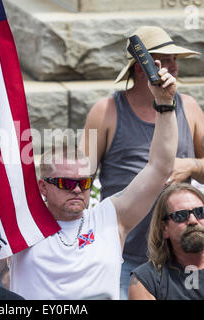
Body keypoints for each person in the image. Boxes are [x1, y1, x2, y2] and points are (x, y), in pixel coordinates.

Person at [9, 63, 178, 299]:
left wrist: (165, 103)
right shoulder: (20, 224)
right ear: (43, 186)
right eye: (67, 184)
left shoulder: (110, 217)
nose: (77, 189)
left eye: (85, 183)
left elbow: (159, 167)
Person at [81, 25, 204, 299]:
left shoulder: (190, 107)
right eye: (165, 59)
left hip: (179, 258)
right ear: (141, 68)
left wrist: (192, 166)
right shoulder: (106, 111)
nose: (174, 66)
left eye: (175, 60)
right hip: (125, 256)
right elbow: (82, 178)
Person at [129, 183, 204, 300]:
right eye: (180, 215)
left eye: (200, 212)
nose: (193, 220)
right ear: (164, 228)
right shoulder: (146, 280)